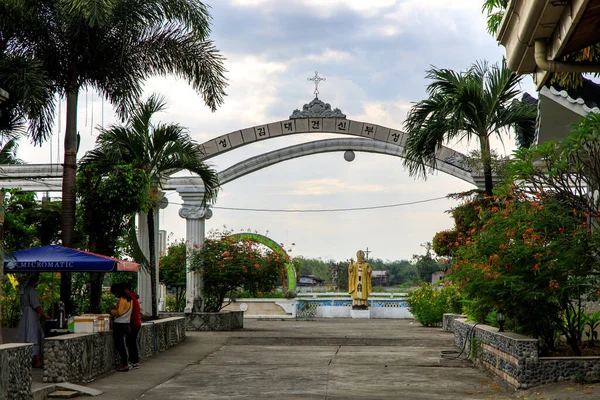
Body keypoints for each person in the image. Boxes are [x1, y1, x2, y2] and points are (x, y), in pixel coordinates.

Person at [16, 272, 51, 368]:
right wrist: (44, 315)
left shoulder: (24, 290)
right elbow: (36, 305)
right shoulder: (31, 291)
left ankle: (30, 359)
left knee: (27, 336)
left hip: (26, 315)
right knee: (33, 337)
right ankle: (37, 360)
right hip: (31, 316)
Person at [109, 283, 132, 372]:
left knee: (120, 345)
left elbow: (119, 312)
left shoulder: (122, 299)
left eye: (114, 293)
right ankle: (126, 363)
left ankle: (125, 365)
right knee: (122, 345)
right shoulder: (130, 300)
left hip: (119, 324)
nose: (115, 295)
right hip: (126, 323)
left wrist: (111, 311)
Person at [124, 283, 141, 369]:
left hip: (133, 323)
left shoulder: (130, 299)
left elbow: (130, 313)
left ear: (126, 290)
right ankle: (135, 361)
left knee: (130, 343)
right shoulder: (134, 298)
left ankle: (132, 361)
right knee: (132, 343)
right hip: (136, 322)